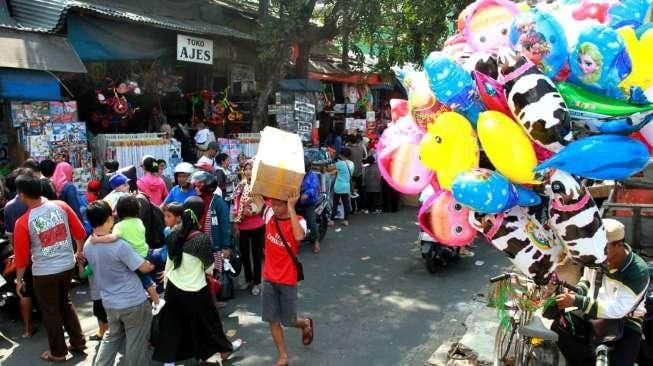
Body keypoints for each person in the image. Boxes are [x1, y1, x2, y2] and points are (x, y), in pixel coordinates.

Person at [152, 197, 242, 365]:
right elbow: (209, 267)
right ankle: (218, 353)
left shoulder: (172, 233)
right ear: (200, 215)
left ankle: (169, 361)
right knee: (208, 323)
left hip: (173, 288)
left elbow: (170, 261)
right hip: (196, 289)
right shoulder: (201, 239)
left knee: (173, 326)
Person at [12, 173, 86, 362]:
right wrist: (78, 252)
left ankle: (59, 352)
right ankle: (78, 342)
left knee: (50, 311)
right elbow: (80, 232)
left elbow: (21, 259)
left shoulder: (23, 222)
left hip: (44, 273)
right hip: (67, 265)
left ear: (21, 195)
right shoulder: (61, 206)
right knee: (65, 303)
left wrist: (19, 280)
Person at [554, 219, 649, 366]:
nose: (597, 251)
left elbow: (618, 309)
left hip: (626, 322)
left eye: (603, 247)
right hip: (593, 314)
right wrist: (576, 292)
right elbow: (586, 282)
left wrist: (578, 300)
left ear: (619, 245)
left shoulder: (637, 272)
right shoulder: (596, 257)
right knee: (559, 327)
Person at [83, 200, 154, 366]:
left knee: (112, 337)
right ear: (109, 219)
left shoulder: (88, 244)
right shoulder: (119, 245)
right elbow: (143, 268)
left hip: (109, 302)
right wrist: (153, 261)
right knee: (136, 343)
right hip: (133, 302)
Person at [263, 193, 313, 366]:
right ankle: (283, 356)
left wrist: (291, 207)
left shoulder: (299, 220)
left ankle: (305, 323)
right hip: (268, 276)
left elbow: (299, 237)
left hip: (287, 277)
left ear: (287, 204)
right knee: (272, 319)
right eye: (273, 204)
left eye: (279, 205)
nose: (275, 208)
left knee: (289, 320)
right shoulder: (269, 214)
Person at [90, 195, 164, 312]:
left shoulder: (119, 226)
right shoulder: (139, 221)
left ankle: (157, 301)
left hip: (138, 258)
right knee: (157, 270)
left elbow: (113, 238)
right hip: (148, 252)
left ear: (118, 211)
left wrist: (98, 239)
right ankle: (161, 289)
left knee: (146, 281)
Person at [3, 168, 33, 338]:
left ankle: (28, 330)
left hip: (22, 254)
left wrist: (17, 252)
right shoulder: (38, 200)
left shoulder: (10, 207)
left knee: (23, 290)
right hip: (40, 253)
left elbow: (10, 236)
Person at [232, 159, 265, 294]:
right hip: (243, 225)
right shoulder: (240, 186)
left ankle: (257, 283)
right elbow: (235, 203)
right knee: (245, 254)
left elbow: (265, 203)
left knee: (257, 255)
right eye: (245, 169)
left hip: (257, 225)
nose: (247, 171)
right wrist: (236, 219)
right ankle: (248, 279)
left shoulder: (260, 186)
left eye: (250, 168)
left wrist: (253, 208)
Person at [297, 157, 320, 253]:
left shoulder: (313, 176)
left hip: (309, 202)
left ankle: (316, 241)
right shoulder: (296, 174)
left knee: (311, 222)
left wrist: (307, 194)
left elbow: (314, 187)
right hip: (296, 201)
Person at [331, 148, 354, 226]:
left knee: (335, 203)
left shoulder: (340, 163)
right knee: (346, 204)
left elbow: (329, 169)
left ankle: (331, 220)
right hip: (347, 186)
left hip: (338, 186)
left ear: (342, 155)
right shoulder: (352, 164)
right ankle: (346, 220)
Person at [347, 134, 367, 212]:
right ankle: (362, 207)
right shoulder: (361, 147)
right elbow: (364, 156)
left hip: (351, 173)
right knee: (361, 190)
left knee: (352, 191)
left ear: (349, 141)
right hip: (359, 172)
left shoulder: (348, 149)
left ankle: (353, 208)